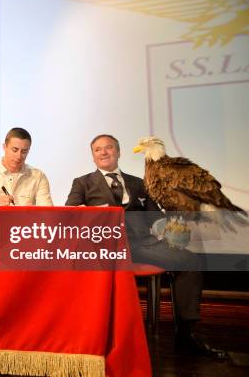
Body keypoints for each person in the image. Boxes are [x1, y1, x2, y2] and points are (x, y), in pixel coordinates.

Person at [65, 134, 223, 357]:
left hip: (142, 245)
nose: (103, 152)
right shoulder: (82, 183)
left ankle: (186, 334)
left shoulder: (139, 183)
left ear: (118, 152)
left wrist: (174, 226)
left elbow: (156, 217)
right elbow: (70, 214)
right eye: (98, 149)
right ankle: (94, 335)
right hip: (104, 249)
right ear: (93, 156)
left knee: (190, 260)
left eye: (109, 147)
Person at [0, 127, 53, 206]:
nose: (19, 156)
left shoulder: (38, 177)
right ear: (4, 147)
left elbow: (47, 213)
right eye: (15, 150)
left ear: (28, 151)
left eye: (24, 151)